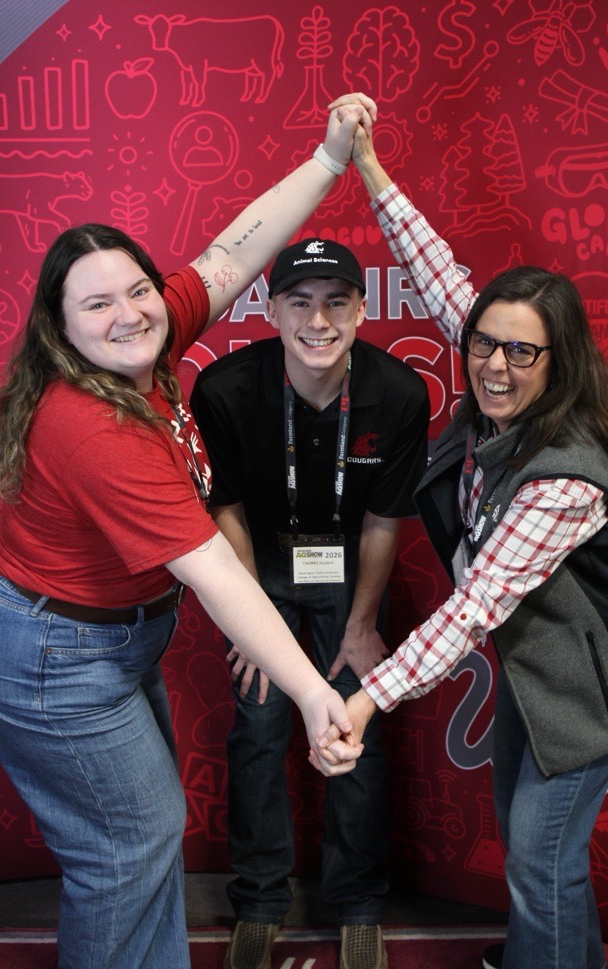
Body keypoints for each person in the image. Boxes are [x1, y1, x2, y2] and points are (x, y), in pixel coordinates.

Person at [0, 99, 375, 969]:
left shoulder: (144, 337)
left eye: (138, 289)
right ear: (59, 328)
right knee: (125, 848)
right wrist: (312, 692)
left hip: (97, 634)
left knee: (136, 843)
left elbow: (231, 253)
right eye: (97, 303)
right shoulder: (94, 427)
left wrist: (330, 160)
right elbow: (214, 572)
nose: (131, 312)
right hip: (46, 649)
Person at [319, 108, 608, 969]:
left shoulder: (563, 473)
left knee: (537, 862)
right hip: (538, 655)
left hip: (586, 678)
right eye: (484, 345)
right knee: (542, 860)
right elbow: (443, 276)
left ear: (560, 361)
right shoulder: (495, 363)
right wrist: (367, 165)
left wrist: (365, 701)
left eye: (522, 353)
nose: (494, 366)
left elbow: (474, 606)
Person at [191, 238, 430, 969]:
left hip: (353, 569)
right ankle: (261, 901)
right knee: (259, 727)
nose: (317, 320)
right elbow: (224, 508)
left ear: (363, 308)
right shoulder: (225, 388)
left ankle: (356, 902)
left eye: (336, 301)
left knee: (353, 732)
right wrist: (250, 618)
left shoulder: (397, 392)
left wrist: (362, 626)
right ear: (271, 309)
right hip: (257, 564)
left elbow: (385, 520)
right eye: (300, 301)